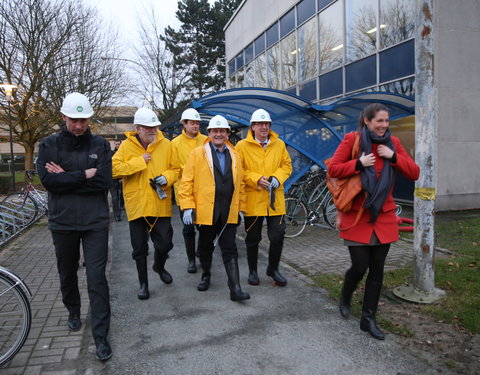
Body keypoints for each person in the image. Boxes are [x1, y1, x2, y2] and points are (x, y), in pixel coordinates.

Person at [327, 103, 420, 340]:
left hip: (384, 216)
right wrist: (359, 163)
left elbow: (414, 173)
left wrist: (394, 156)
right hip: (357, 215)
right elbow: (334, 170)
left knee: (377, 270)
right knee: (359, 267)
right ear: (367, 121)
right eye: (380, 121)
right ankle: (346, 296)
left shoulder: (393, 144)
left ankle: (368, 319)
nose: (384, 126)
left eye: (387, 121)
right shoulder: (352, 140)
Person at [37, 92, 113, 361]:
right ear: (63, 117)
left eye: (83, 120)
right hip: (63, 221)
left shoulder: (101, 145)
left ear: (90, 118)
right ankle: (72, 310)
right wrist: (84, 175)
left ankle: (101, 336)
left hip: (95, 222)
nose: (79, 125)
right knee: (67, 272)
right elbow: (48, 181)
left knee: (96, 278)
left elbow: (104, 181)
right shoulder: (49, 145)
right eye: (73, 120)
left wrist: (67, 177)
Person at [178, 115, 249, 301]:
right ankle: (206, 274)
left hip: (228, 211)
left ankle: (235, 288)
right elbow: (186, 183)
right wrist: (187, 207)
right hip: (206, 211)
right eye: (215, 131)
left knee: (230, 248)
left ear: (227, 133)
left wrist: (241, 208)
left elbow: (240, 185)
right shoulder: (197, 154)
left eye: (222, 131)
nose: (219, 134)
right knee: (205, 247)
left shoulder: (235, 155)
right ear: (208, 133)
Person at [112, 107, 179, 301]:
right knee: (139, 249)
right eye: (148, 128)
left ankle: (159, 266)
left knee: (165, 244)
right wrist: (139, 162)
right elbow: (114, 170)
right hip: (137, 205)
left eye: (155, 127)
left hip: (159, 204)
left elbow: (176, 169)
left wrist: (165, 178)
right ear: (138, 128)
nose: (153, 131)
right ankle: (144, 284)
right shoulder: (126, 147)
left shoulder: (166, 144)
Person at [236, 108, 292, 286]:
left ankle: (273, 269)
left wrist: (277, 178)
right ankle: (253, 271)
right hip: (254, 200)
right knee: (252, 238)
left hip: (275, 200)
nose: (263, 127)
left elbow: (287, 166)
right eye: (259, 124)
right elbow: (239, 171)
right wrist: (256, 179)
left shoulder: (279, 144)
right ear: (252, 127)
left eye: (266, 123)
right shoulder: (241, 146)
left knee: (278, 235)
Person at [171, 108, 208, 273]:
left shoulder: (207, 140)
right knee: (188, 228)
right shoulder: (175, 144)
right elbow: (173, 168)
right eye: (192, 122)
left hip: (204, 193)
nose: (195, 125)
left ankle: (201, 252)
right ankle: (191, 260)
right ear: (184, 124)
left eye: (197, 122)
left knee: (205, 228)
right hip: (184, 193)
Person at [110, 139, 123, 221]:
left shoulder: (114, 154)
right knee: (115, 197)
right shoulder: (113, 153)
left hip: (113, 178)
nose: (117, 146)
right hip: (112, 178)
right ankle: (117, 214)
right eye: (116, 144)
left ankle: (117, 214)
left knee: (115, 197)